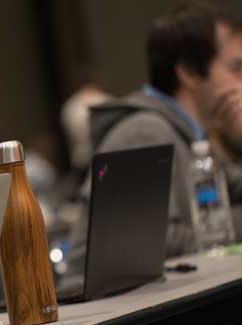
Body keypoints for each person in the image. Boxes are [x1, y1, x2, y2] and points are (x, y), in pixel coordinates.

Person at [67, 2, 242, 275]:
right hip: (113, 312)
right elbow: (156, 244)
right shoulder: (144, 131)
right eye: (235, 67)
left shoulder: (192, 137)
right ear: (190, 73)